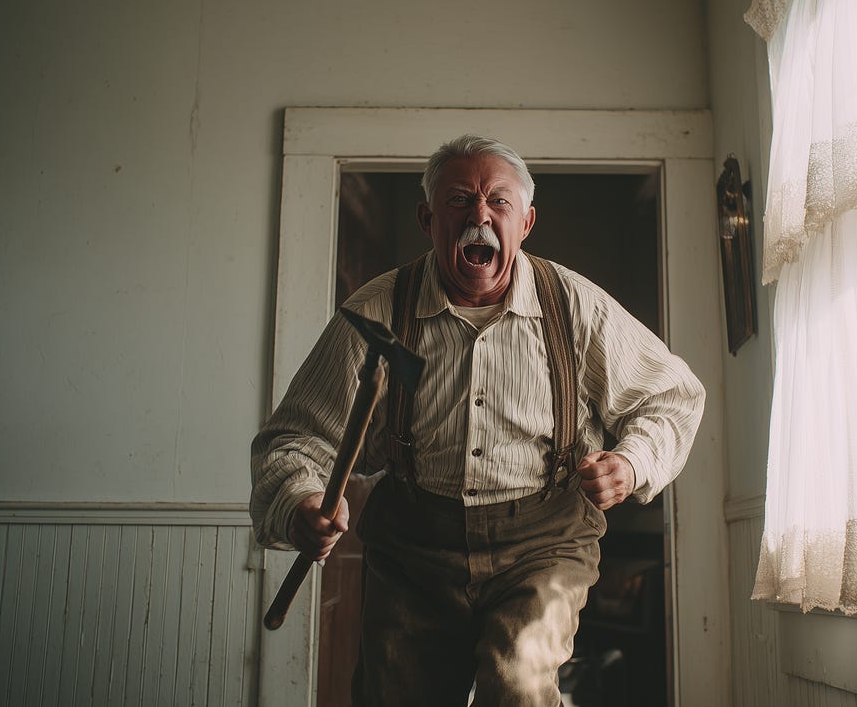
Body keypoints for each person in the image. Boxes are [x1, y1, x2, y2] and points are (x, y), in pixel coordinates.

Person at [251, 134, 705, 706]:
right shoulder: (375, 313)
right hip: (413, 550)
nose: (480, 216)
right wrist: (299, 502)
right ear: (427, 217)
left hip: (546, 541)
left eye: (499, 202)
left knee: (518, 681)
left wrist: (632, 462)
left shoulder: (575, 305)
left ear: (526, 221)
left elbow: (672, 396)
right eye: (459, 200)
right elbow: (296, 438)